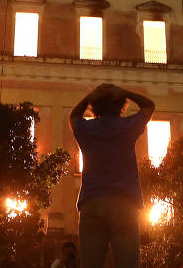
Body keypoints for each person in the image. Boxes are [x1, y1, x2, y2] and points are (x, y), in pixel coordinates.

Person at [70, 83, 155, 268]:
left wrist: (90, 96)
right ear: (121, 106)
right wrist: (124, 92)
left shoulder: (86, 129)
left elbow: (74, 115)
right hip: (124, 204)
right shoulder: (127, 126)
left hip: (92, 203)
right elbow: (149, 106)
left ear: (94, 106)